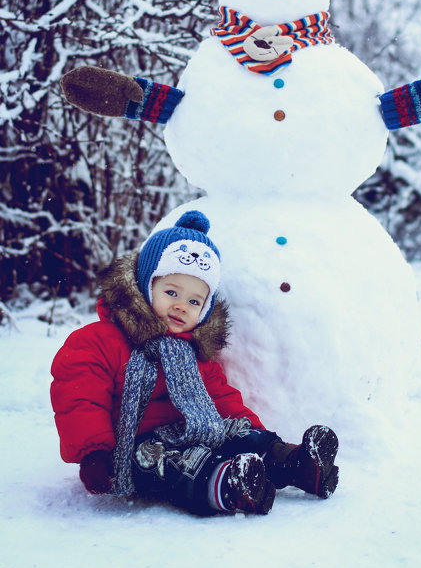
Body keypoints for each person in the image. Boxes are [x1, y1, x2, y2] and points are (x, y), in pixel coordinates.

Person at [50, 210, 339, 516]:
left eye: (193, 301)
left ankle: (296, 464)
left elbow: (221, 399)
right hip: (134, 447)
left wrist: (252, 432)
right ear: (145, 286)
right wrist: (94, 452)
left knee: (236, 434)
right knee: (172, 465)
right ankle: (229, 485)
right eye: (171, 292)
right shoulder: (99, 341)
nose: (180, 306)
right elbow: (79, 398)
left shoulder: (194, 352)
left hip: (192, 431)